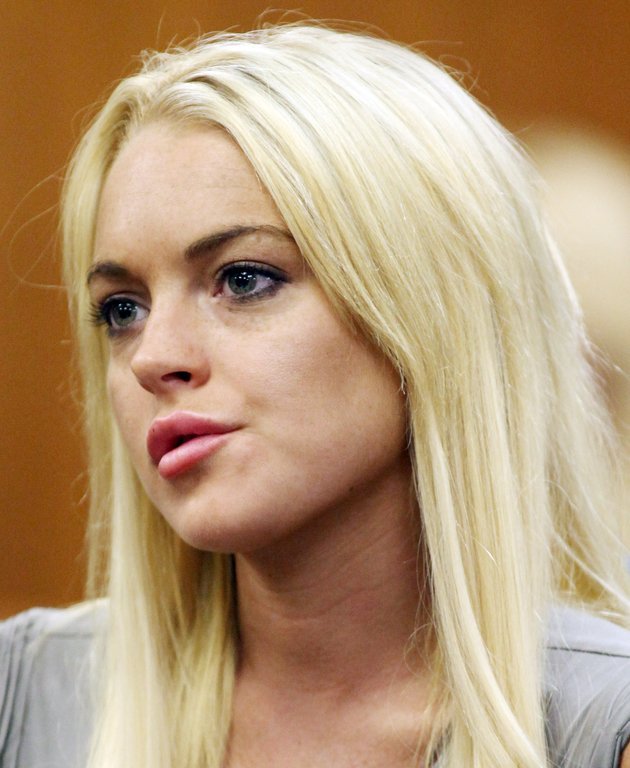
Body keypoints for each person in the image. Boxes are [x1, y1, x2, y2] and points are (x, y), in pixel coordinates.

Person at [1, 23, 629, 768]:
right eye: (122, 309)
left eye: (243, 279)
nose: (153, 356)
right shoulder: (22, 694)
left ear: (428, 315)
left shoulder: (602, 728)